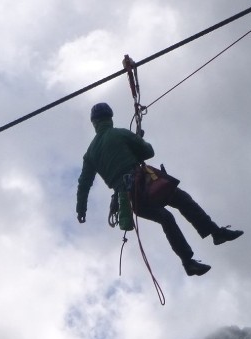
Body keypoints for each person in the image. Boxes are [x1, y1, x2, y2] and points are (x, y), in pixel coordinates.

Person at [76, 102, 242, 276]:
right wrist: (137, 141)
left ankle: (188, 262)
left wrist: (81, 209)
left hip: (129, 198)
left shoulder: (90, 154)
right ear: (110, 117)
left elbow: (84, 183)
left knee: (166, 218)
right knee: (182, 200)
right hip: (145, 183)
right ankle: (215, 232)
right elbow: (148, 152)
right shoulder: (119, 134)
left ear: (94, 122)